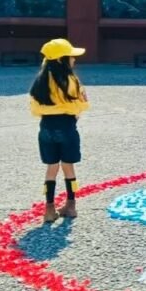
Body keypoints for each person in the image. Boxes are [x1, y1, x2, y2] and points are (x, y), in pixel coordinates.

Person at [29, 39, 90, 223]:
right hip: (67, 125)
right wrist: (71, 111)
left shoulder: (40, 81)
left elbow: (34, 109)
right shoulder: (71, 80)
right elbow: (83, 104)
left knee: (51, 168)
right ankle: (71, 206)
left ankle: (49, 209)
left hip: (46, 127)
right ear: (61, 59)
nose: (74, 59)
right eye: (71, 56)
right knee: (68, 166)